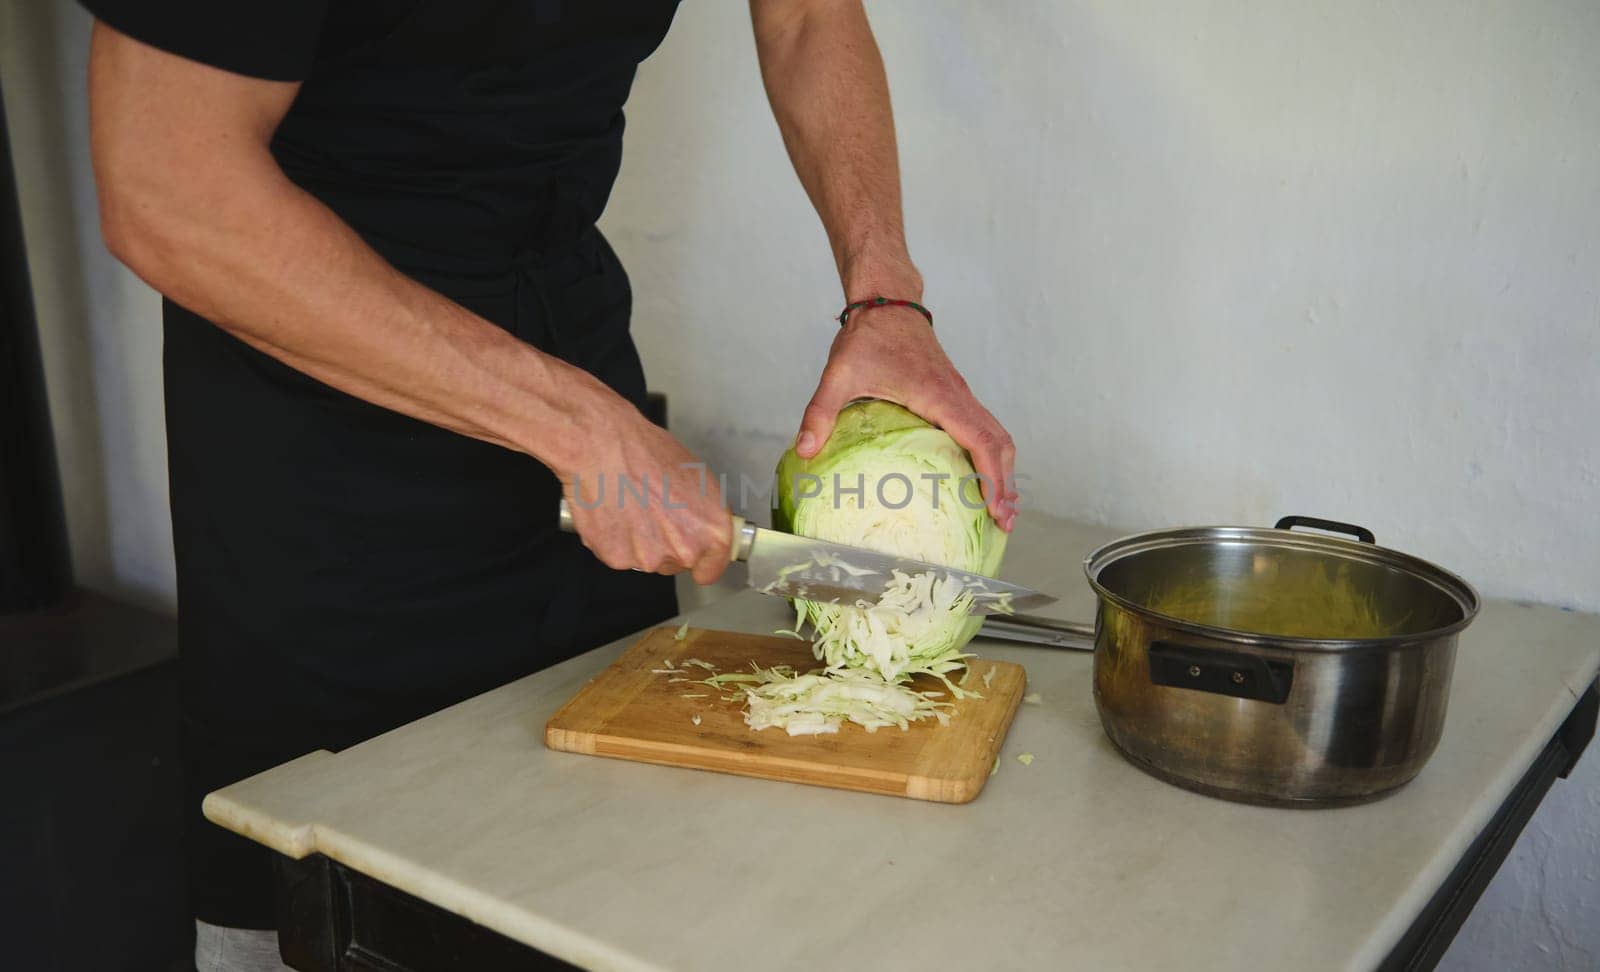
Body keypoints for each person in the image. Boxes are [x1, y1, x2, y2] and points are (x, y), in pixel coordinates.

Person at [84, 1, 1017, 968]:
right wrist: (575, 426)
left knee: (613, 870)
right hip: (326, 420)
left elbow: (807, 17)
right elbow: (165, 184)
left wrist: (884, 296)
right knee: (354, 894)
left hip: (571, 353)